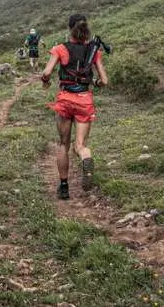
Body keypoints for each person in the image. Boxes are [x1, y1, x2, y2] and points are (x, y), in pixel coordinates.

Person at [39, 14, 108, 200]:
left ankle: (63, 187)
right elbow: (104, 81)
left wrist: (45, 80)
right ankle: (86, 158)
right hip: (84, 101)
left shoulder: (60, 49)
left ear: (70, 29)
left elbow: (46, 72)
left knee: (64, 144)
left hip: (65, 101)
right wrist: (93, 82)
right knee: (80, 145)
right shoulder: (94, 51)